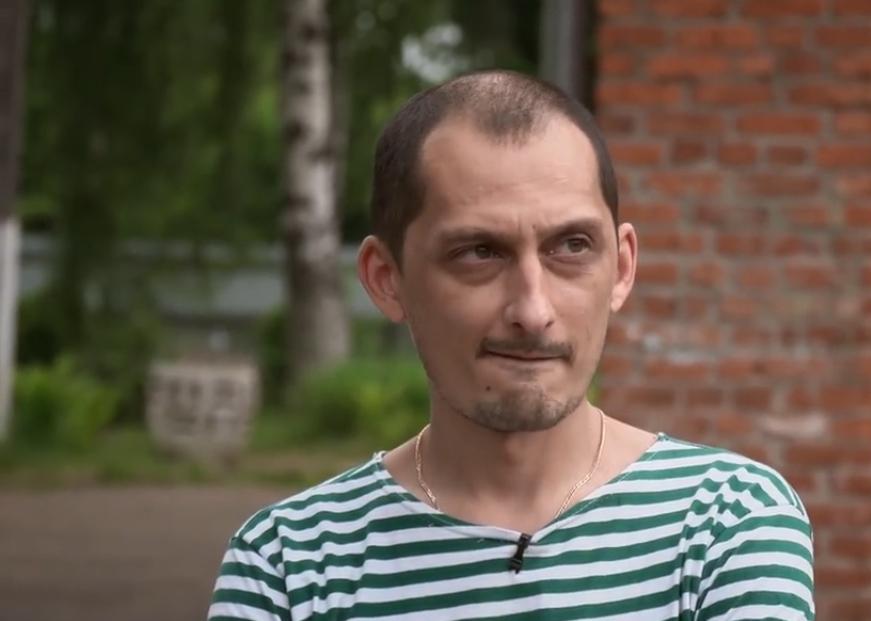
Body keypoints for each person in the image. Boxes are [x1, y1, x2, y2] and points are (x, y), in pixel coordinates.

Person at [208, 70, 815, 621]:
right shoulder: (288, 563)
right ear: (386, 279)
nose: (532, 310)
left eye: (572, 247)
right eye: (479, 252)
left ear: (622, 267)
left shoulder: (725, 523)